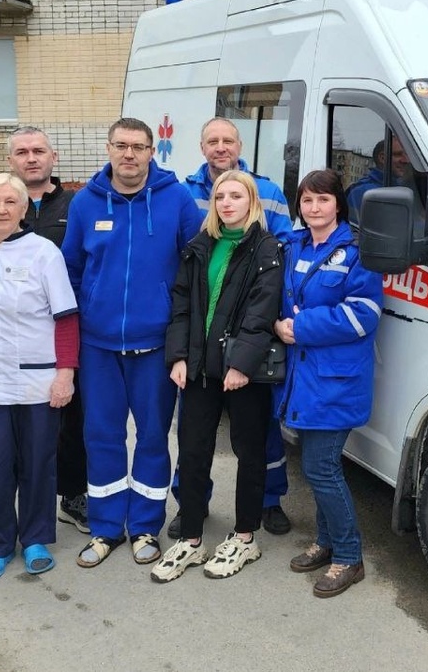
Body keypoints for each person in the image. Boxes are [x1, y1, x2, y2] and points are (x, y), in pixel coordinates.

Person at [62, 117, 202, 568]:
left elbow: (194, 270)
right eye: (121, 145)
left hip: (155, 346)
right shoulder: (85, 202)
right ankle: (105, 529)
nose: (129, 154)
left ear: (151, 152)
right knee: (101, 436)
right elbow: (71, 271)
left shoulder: (177, 199)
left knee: (153, 437)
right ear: (108, 148)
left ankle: (144, 527)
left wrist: (182, 336)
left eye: (138, 147)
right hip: (98, 346)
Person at [150, 170, 284, 583]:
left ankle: (245, 536)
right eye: (220, 196)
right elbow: (182, 305)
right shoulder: (199, 246)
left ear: (252, 202)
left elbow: (262, 312)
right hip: (198, 370)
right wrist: (178, 356)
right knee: (192, 451)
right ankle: (191, 538)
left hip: (243, 373)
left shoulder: (267, 249)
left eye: (236, 196)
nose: (227, 203)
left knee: (249, 451)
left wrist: (241, 365)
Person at [0, 127, 86, 555]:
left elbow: (66, 318)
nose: (1, 209)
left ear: (23, 209)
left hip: (37, 379)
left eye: (10, 202)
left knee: (37, 463)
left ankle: (35, 540)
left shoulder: (44, 252)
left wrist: (65, 375)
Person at [173, 116, 293, 537]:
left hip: (247, 346)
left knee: (257, 438)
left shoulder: (270, 193)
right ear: (202, 147)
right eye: (212, 140)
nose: (220, 147)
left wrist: (248, 351)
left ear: (240, 145)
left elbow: (281, 260)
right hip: (202, 349)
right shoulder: (185, 194)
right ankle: (192, 508)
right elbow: (186, 278)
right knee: (193, 440)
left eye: (228, 140)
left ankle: (266, 503)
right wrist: (180, 353)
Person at [274, 169, 382, 598]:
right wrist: (281, 324)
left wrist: (300, 327)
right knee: (317, 467)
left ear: (338, 204)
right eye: (307, 200)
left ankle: (349, 556)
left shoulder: (356, 252)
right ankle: (326, 541)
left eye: (323, 199)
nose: (314, 207)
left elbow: (363, 315)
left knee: (321, 468)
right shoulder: (293, 245)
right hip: (303, 379)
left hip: (335, 381)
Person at [346, 135, 412, 222]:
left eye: (407, 155)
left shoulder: (401, 188)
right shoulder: (363, 192)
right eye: (398, 154)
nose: (406, 160)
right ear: (382, 158)